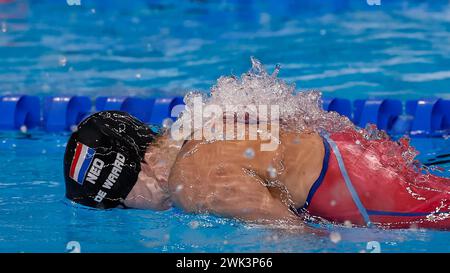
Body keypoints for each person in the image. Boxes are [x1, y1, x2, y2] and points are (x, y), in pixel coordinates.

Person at [64, 110, 450, 229]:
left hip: (354, 189)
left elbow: (297, 238)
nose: (131, 207)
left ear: (142, 167)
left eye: (123, 199)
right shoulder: (200, 128)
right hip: (347, 159)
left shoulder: (190, 180)